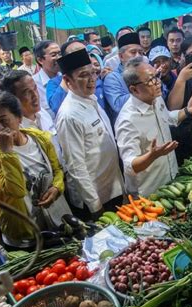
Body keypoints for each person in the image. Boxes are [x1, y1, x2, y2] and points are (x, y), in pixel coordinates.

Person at [0, 91, 70, 248]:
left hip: (56, 221)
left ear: (19, 118)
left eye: (3, 120)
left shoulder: (39, 139)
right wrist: (7, 152)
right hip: (24, 233)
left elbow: (57, 170)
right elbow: (15, 191)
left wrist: (56, 187)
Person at [115, 57, 192, 196]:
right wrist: (152, 155)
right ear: (134, 89)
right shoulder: (127, 120)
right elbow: (130, 166)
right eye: (151, 80)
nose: (158, 82)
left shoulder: (156, 99)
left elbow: (168, 118)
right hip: (148, 193)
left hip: (170, 182)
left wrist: (187, 111)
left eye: (157, 76)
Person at [56, 48, 124, 220]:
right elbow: (75, 166)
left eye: (93, 73)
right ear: (67, 80)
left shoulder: (91, 99)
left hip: (112, 187)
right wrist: (95, 207)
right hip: (94, 199)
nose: (91, 79)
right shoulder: (69, 115)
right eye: (83, 75)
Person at [0, 70, 60, 158]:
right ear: (13, 99)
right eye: (27, 92)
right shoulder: (15, 130)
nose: (35, 96)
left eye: (35, 88)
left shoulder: (43, 113)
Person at [103, 32, 144, 124]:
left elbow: (160, 95)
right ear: (121, 56)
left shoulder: (147, 72)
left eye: (140, 52)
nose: (138, 56)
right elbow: (118, 105)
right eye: (133, 52)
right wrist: (144, 88)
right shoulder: (112, 78)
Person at [33, 40, 61, 119]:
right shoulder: (34, 85)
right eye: (54, 55)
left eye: (60, 53)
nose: (59, 58)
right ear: (40, 60)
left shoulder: (67, 78)